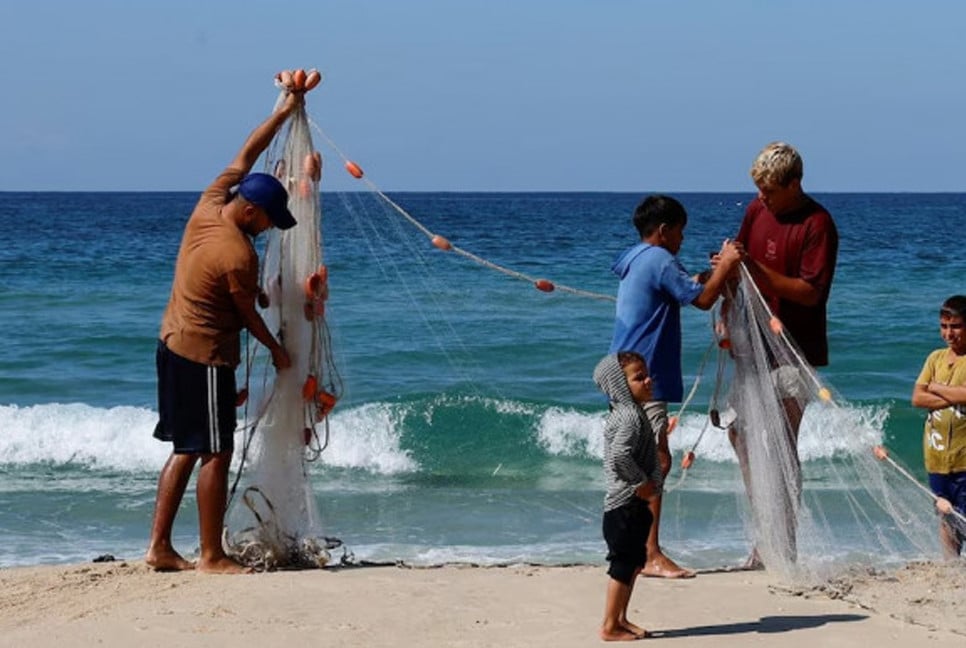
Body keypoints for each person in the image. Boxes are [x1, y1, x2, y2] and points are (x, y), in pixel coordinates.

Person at [145, 91, 303, 573]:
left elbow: (246, 153)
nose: (268, 230)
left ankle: (160, 547)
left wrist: (281, 113)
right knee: (216, 450)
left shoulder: (211, 201)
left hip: (172, 345)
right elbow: (247, 318)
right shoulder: (239, 253)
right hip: (203, 356)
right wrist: (278, 351)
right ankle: (211, 555)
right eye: (269, 222)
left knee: (186, 448)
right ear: (253, 211)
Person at [609, 194, 743, 578]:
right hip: (643, 380)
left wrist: (712, 273)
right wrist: (729, 264)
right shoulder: (660, 259)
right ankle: (648, 554)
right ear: (665, 231)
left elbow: (687, 286)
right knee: (657, 463)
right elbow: (701, 299)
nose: (683, 239)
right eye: (681, 232)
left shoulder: (636, 258)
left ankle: (632, 549)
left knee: (643, 462)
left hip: (623, 373)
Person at [727, 141, 838, 567]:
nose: (762, 198)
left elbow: (810, 293)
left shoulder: (817, 224)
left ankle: (784, 545)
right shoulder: (757, 210)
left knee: (783, 443)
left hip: (794, 349)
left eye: (770, 190)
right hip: (750, 343)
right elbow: (738, 264)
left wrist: (757, 270)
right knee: (741, 436)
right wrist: (725, 310)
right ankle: (763, 535)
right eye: (758, 189)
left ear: (794, 183)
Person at [593, 351, 663, 641]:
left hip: (632, 505)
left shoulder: (631, 414)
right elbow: (621, 455)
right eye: (638, 377)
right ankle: (609, 625)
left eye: (647, 374)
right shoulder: (631, 417)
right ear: (621, 386)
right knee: (622, 566)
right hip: (624, 505)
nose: (648, 380)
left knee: (634, 563)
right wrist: (640, 483)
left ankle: (621, 618)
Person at [911, 295, 966, 558]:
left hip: (964, 457)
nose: (949, 333)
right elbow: (917, 398)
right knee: (946, 515)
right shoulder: (935, 358)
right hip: (936, 457)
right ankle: (951, 566)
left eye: (955, 326)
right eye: (944, 326)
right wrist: (951, 393)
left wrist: (933, 387)